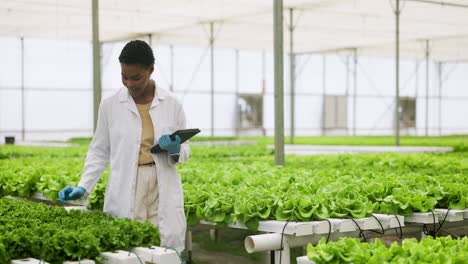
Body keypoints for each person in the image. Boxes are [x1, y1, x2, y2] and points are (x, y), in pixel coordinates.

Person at [58, 40, 189, 251]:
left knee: (166, 248)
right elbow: (100, 151)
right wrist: (84, 186)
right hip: (127, 182)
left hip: (160, 182)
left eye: (136, 77)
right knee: (129, 249)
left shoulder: (172, 103)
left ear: (151, 70)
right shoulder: (110, 105)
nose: (129, 84)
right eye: (124, 77)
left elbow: (186, 149)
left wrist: (176, 149)